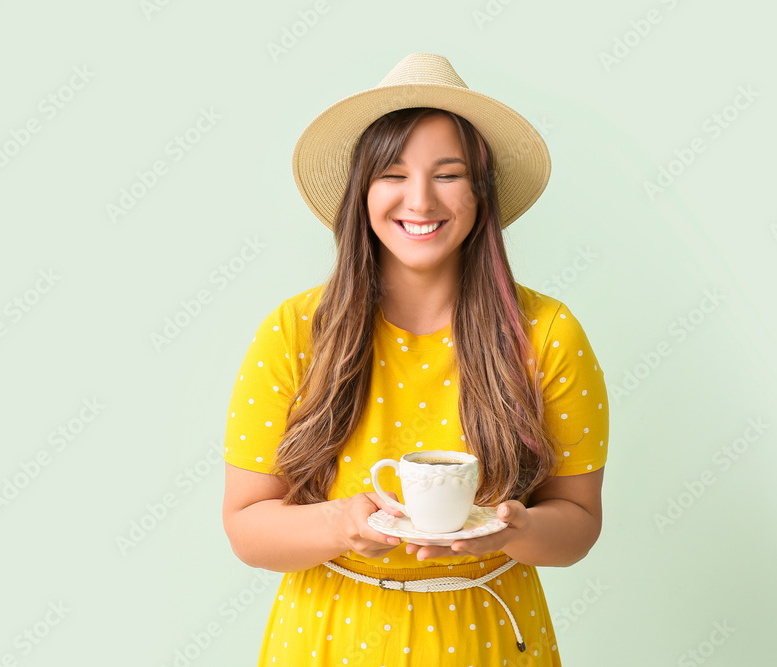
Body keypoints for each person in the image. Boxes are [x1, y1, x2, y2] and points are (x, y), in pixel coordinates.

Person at [221, 52, 609, 666]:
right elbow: (246, 525)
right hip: (328, 638)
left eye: (448, 174)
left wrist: (519, 530)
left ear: (481, 193)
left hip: (488, 640)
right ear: (362, 191)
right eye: (393, 174)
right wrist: (340, 526)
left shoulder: (546, 333)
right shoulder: (296, 331)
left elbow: (579, 523)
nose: (420, 200)